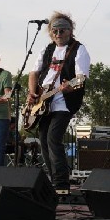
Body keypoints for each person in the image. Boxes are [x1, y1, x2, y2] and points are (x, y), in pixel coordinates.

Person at [26, 12, 91, 193]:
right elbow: (33, 73)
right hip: (43, 101)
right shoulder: (47, 50)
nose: (58, 33)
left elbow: (80, 78)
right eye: (54, 30)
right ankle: (53, 179)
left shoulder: (78, 49)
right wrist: (33, 93)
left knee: (53, 137)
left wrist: (69, 87)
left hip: (63, 102)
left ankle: (62, 184)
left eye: (62, 30)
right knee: (43, 139)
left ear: (70, 31)